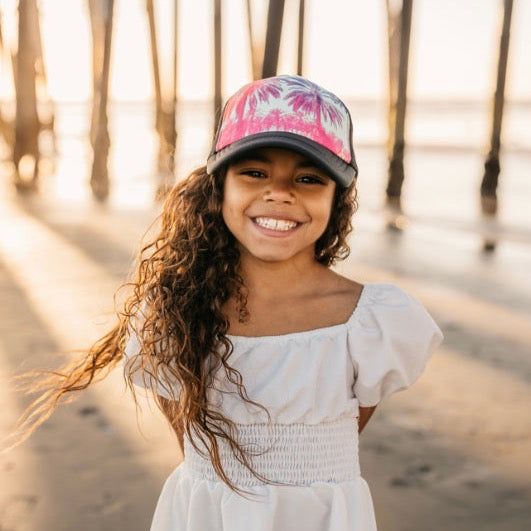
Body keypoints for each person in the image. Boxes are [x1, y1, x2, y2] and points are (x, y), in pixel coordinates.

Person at [17, 75, 443, 530]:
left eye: (308, 178)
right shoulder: (173, 313)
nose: (280, 193)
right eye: (254, 173)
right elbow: (191, 440)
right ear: (219, 188)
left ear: (338, 198)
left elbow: (344, 428)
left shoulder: (368, 321)